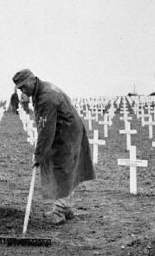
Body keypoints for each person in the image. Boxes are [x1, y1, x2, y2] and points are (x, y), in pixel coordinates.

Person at [12, 69, 95, 225]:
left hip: (66, 132)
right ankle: (66, 207)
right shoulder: (43, 89)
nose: (23, 90)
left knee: (63, 169)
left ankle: (59, 211)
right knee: (64, 168)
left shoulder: (46, 98)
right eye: (20, 89)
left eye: (24, 86)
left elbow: (45, 130)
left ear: (32, 80)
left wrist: (38, 155)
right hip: (66, 129)